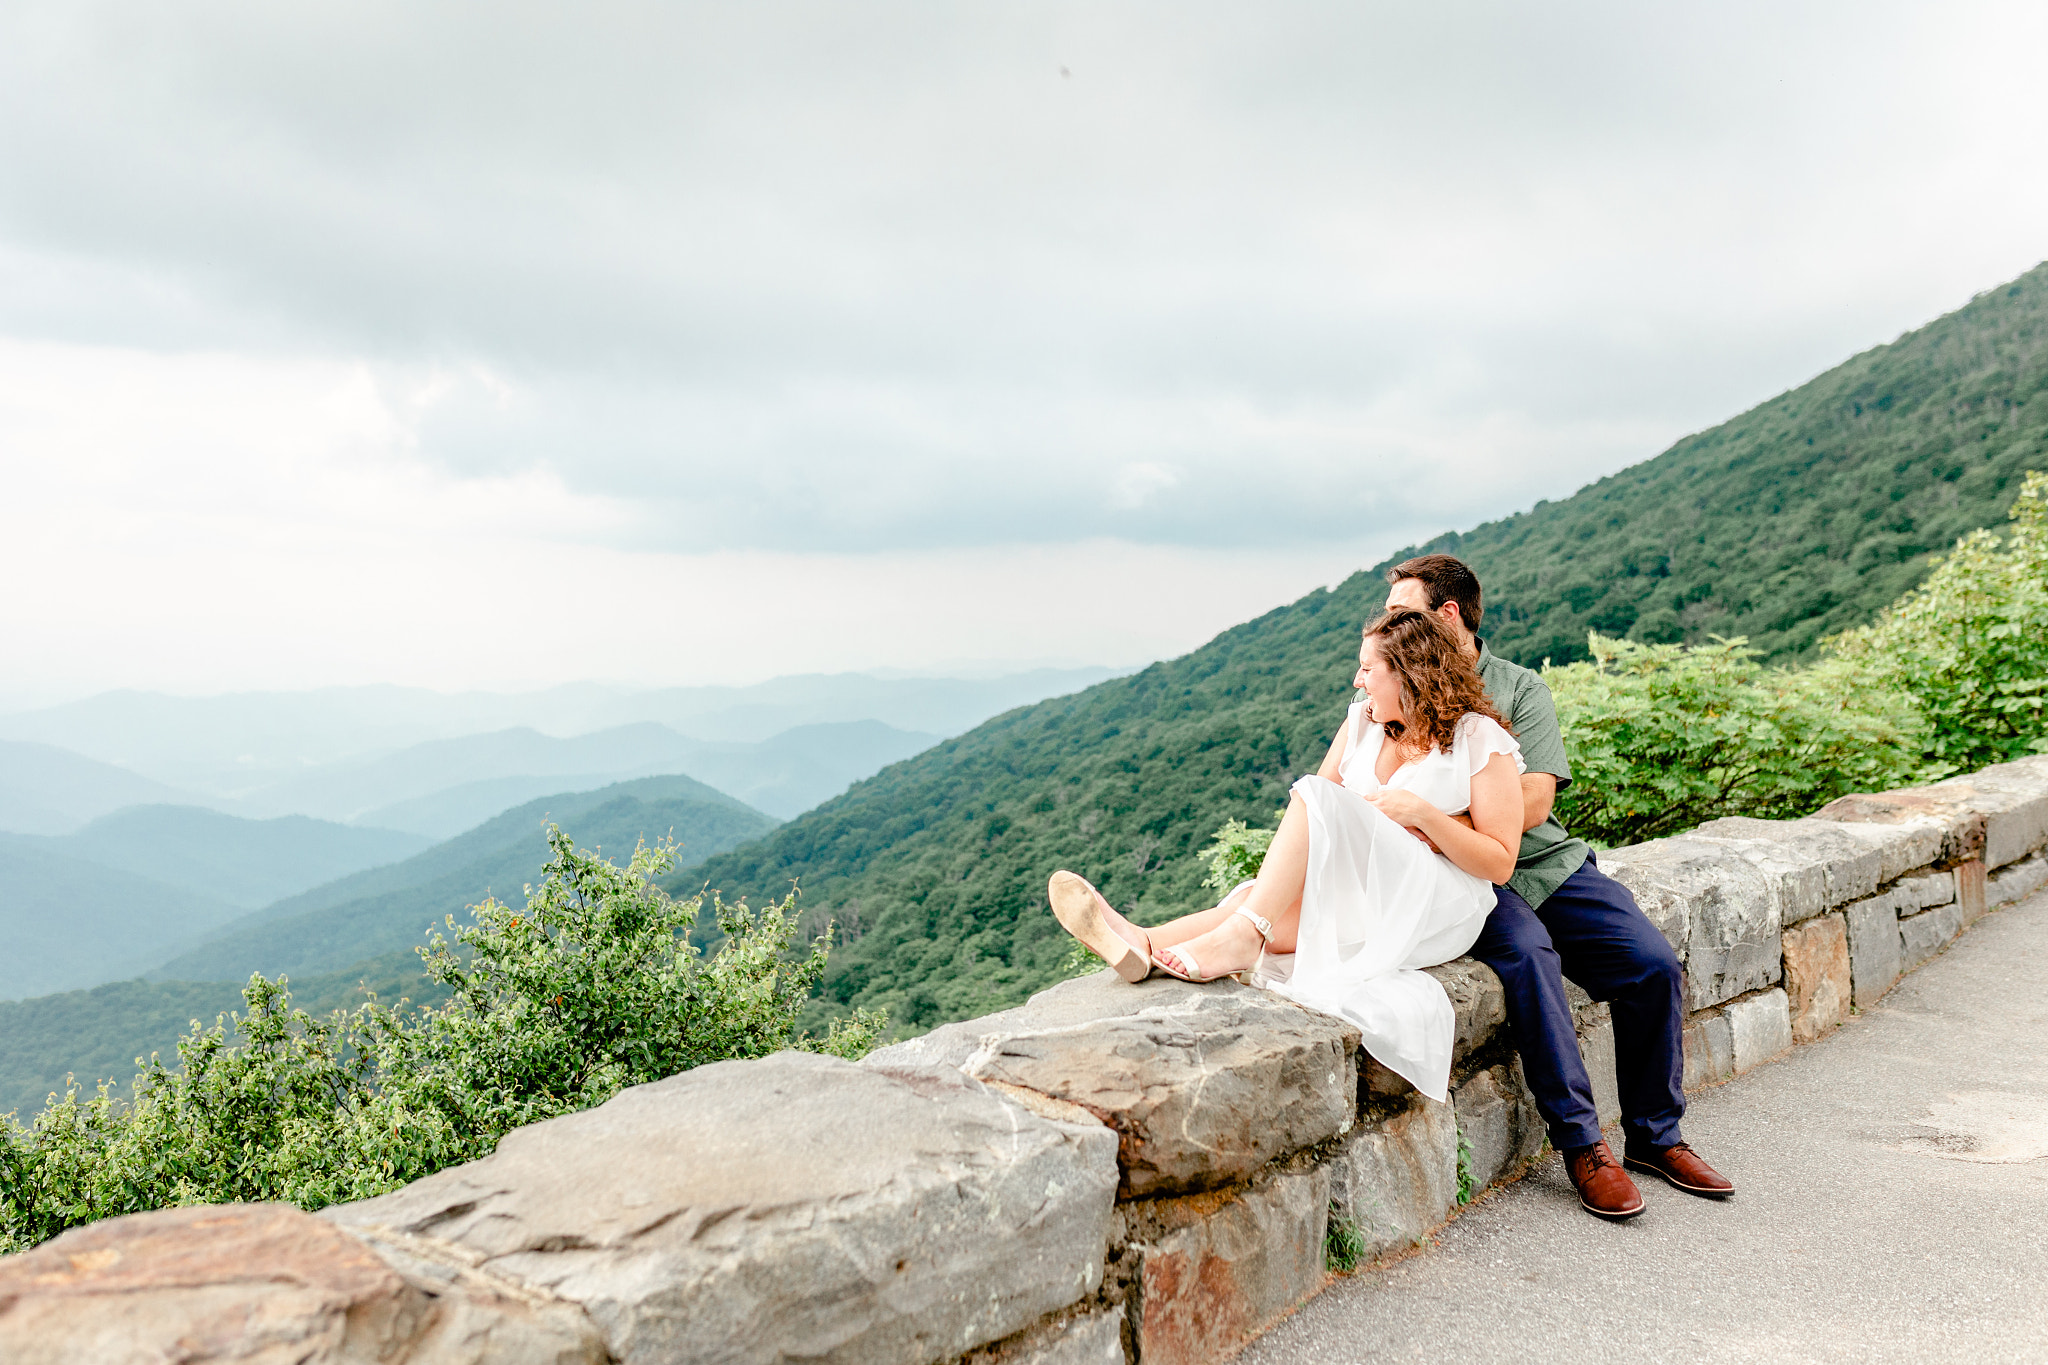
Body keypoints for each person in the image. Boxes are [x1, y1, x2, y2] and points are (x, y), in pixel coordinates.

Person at [1047, 607, 1527, 1105]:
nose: (1357, 680)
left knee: (1308, 806)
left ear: (1411, 673)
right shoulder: (1361, 722)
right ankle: (1142, 944)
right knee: (1265, 895)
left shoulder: (1478, 738)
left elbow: (1500, 861)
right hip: (1366, 885)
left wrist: (1424, 815)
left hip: (1437, 901)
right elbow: (1320, 819)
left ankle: (1235, 937)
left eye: (1368, 669)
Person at [1381, 553, 1733, 1219]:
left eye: (1404, 614)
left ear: (1448, 614)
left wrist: (1445, 815)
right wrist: (1465, 824)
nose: (1390, 628)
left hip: (1544, 860)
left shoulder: (1516, 689)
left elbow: (1536, 800)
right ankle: (1584, 1145)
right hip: (1470, 875)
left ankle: (1656, 1137)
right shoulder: (1395, 688)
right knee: (1530, 957)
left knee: (1652, 965)